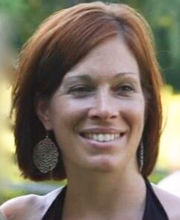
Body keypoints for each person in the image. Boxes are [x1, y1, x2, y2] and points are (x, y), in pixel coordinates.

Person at [0, 1, 180, 219]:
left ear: (146, 104)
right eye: (81, 89)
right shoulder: (18, 216)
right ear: (44, 110)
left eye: (124, 88)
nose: (104, 110)